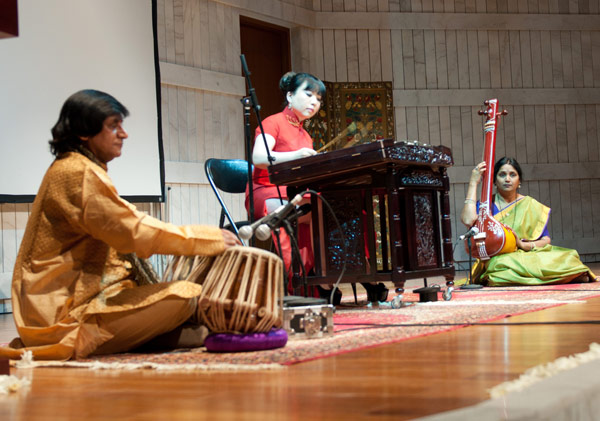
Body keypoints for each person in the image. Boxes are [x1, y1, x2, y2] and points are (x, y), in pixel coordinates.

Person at [0, 90, 240, 360]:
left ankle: (169, 335)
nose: (123, 134)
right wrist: (208, 238)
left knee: (180, 309)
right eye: (114, 126)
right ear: (83, 132)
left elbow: (127, 221)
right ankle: (104, 340)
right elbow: (134, 232)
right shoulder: (77, 173)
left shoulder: (77, 168)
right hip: (65, 317)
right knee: (185, 295)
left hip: (79, 302)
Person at [247, 72, 388, 304]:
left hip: (298, 193)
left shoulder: (306, 135)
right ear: (290, 96)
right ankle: (318, 279)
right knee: (320, 212)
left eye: (319, 98)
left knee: (347, 211)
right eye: (309, 94)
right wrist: (297, 155)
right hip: (268, 190)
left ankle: (352, 272)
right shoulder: (273, 122)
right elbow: (259, 157)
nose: (315, 102)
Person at [461, 157, 597, 286]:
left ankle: (562, 275)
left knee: (567, 258)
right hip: (499, 258)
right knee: (500, 266)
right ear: (494, 181)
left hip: (527, 253)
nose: (507, 179)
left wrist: (522, 245)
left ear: (519, 181)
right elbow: (468, 220)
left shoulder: (530, 205)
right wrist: (473, 183)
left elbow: (546, 240)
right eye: (502, 174)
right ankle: (564, 277)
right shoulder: (486, 205)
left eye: (512, 175)